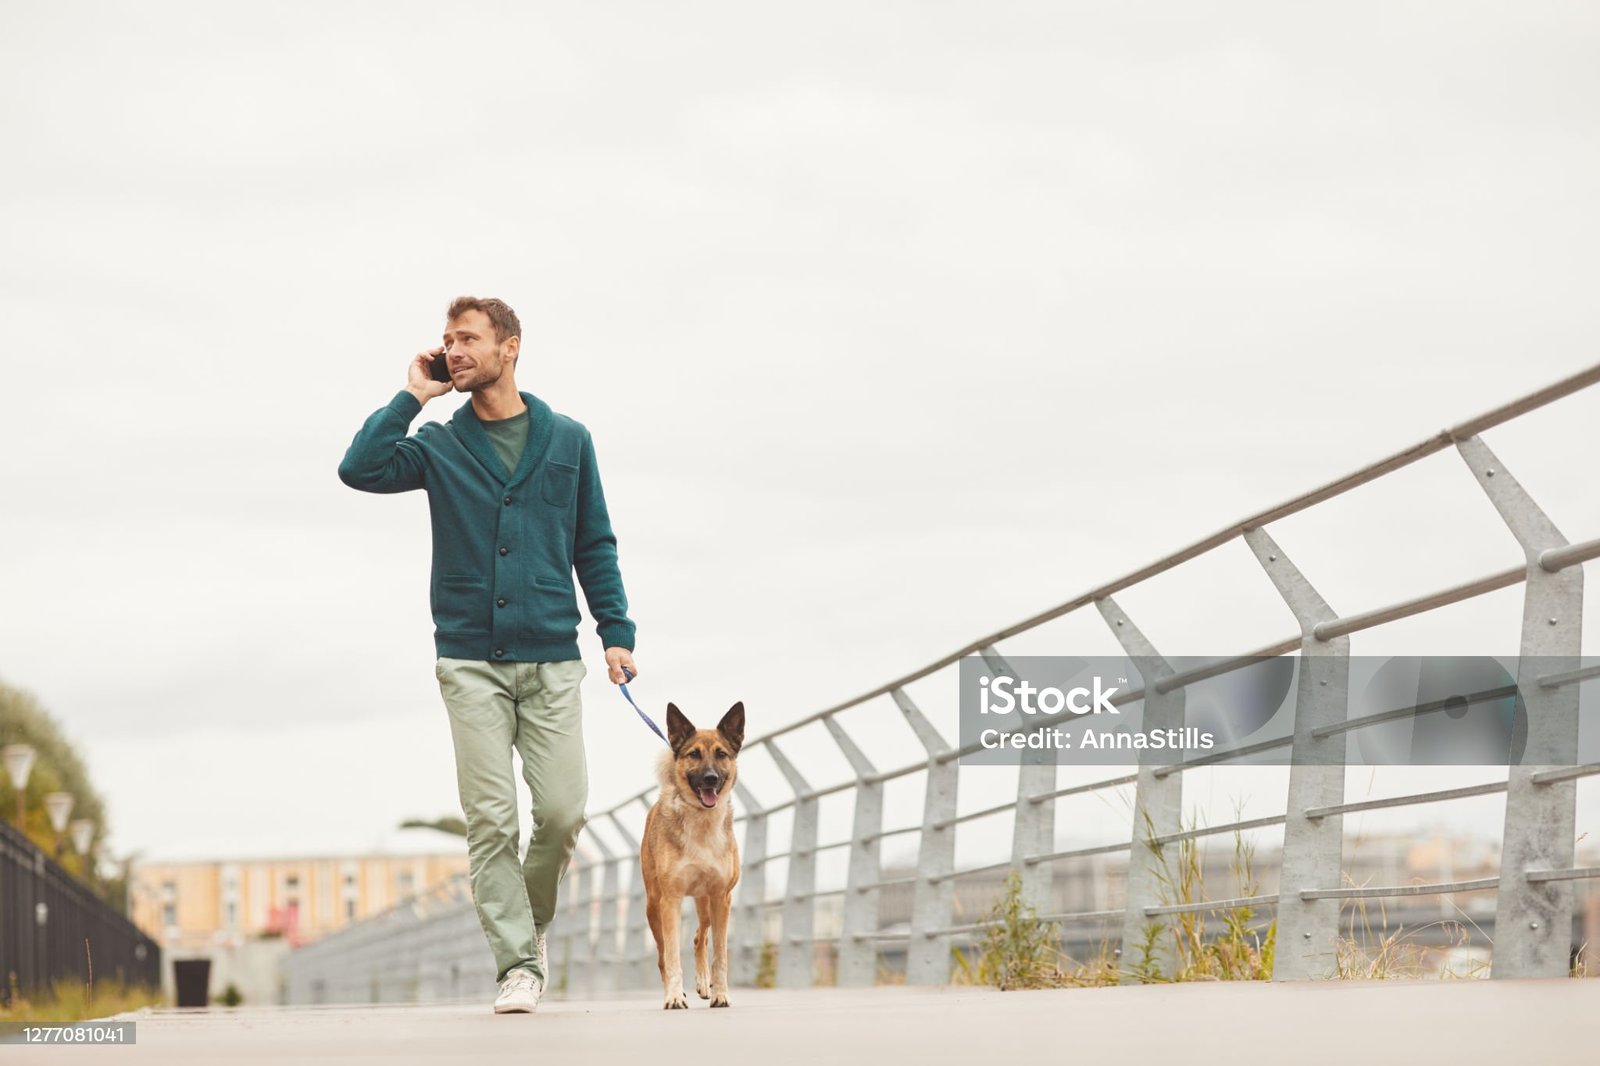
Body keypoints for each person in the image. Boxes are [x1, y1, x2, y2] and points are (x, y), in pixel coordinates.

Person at [338, 296, 638, 1014]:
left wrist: (615, 631)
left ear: (510, 348)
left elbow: (593, 541)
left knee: (564, 813)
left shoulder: (569, 440)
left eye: (467, 338)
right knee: (492, 820)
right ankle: (516, 964)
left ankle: (526, 926)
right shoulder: (441, 444)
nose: (455, 349)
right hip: (469, 659)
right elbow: (360, 468)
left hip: (552, 658)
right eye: (448, 341)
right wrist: (413, 395)